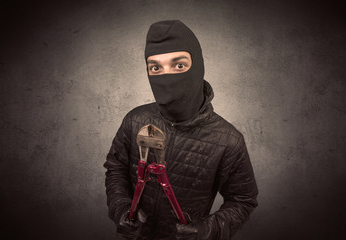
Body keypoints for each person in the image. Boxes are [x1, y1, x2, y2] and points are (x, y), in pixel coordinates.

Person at [104, 20, 258, 240]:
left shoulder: (229, 140)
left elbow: (243, 200)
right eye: (155, 67)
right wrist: (120, 207)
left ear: (198, 66)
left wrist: (209, 230)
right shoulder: (134, 119)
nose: (167, 77)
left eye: (179, 65)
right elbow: (116, 168)